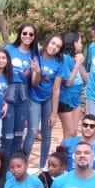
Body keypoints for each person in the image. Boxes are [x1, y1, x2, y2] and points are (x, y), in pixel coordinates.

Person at [29, 33, 66, 162]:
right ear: (47, 42)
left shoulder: (59, 62)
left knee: (47, 133)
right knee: (32, 132)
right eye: (53, 43)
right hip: (33, 97)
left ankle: (43, 165)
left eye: (58, 46)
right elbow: (34, 83)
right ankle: (24, 162)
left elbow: (56, 89)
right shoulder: (36, 55)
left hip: (48, 99)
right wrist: (38, 71)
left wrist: (54, 113)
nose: (54, 47)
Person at [3, 24, 38, 158]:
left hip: (23, 95)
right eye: (24, 33)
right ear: (20, 34)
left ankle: (15, 163)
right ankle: (4, 164)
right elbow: (0, 70)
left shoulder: (34, 55)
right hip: (8, 92)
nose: (27, 36)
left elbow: (34, 82)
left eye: (31, 34)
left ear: (34, 37)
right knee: (7, 133)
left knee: (19, 133)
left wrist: (37, 71)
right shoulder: (9, 49)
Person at [57, 32, 86, 139]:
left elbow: (86, 79)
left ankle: (66, 149)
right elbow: (68, 82)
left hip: (76, 99)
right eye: (80, 42)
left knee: (73, 133)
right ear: (74, 43)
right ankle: (62, 150)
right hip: (65, 99)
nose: (81, 45)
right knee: (69, 133)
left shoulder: (77, 58)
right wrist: (77, 64)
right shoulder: (65, 58)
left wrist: (79, 63)